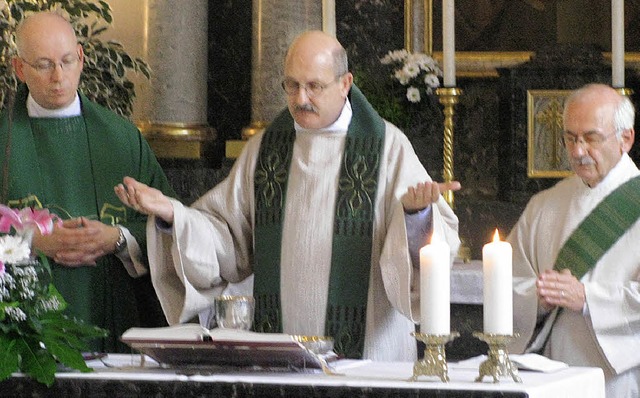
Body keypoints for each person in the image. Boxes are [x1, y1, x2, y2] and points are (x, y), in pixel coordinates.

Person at [115, 30, 460, 361]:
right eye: (291, 85)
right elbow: (228, 238)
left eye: (314, 86)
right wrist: (174, 215)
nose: (300, 98)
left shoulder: (387, 148)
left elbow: (426, 259)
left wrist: (416, 217)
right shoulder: (266, 149)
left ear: (345, 84)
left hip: (368, 351)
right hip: (279, 352)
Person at [0, 12, 176, 353]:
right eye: (43, 65)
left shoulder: (123, 139)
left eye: (67, 61)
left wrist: (118, 238)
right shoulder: (3, 140)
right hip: (20, 336)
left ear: (81, 58)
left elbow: (173, 224)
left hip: (116, 322)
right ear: (19, 69)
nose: (58, 76)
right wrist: (31, 242)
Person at [508, 83, 640, 397]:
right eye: (570, 138)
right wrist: (537, 298)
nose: (578, 152)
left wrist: (587, 299)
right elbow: (507, 281)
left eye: (591, 138)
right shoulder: (544, 205)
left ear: (626, 139)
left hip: (618, 376)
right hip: (547, 374)